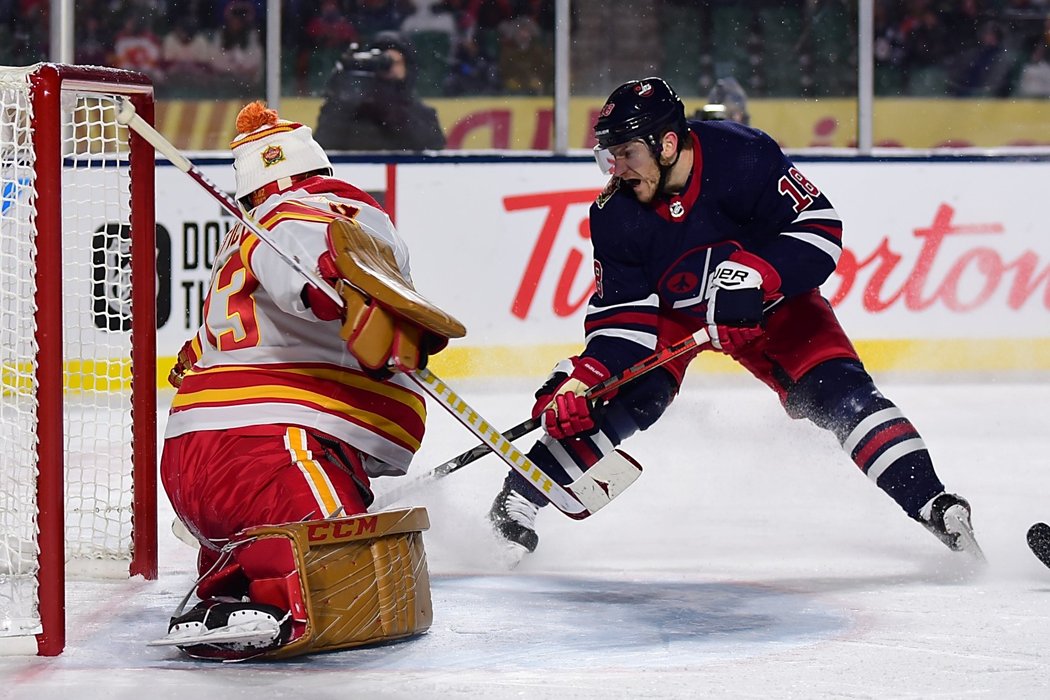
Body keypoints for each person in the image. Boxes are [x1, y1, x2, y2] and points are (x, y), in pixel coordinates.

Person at [486, 76, 984, 565]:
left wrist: (755, 276)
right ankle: (518, 498)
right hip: (675, 313)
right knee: (632, 394)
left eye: (626, 153)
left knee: (841, 392)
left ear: (667, 143)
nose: (616, 169)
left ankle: (934, 505)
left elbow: (821, 229)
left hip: (770, 304)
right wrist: (585, 378)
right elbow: (624, 316)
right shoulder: (615, 212)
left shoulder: (744, 155)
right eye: (608, 156)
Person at [156, 101, 464, 659]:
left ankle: (228, 585)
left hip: (192, 464)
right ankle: (271, 595)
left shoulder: (247, 232)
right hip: (272, 448)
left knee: (267, 568)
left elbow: (219, 341)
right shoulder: (308, 207)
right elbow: (309, 255)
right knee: (344, 588)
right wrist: (336, 288)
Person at [314, 30, 446, 151]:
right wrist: (341, 103)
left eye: (395, 62)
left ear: (408, 67)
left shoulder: (420, 112)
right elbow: (324, 146)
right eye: (381, 61)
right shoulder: (352, 106)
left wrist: (393, 111)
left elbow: (432, 148)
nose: (388, 68)